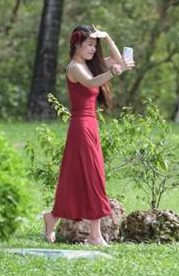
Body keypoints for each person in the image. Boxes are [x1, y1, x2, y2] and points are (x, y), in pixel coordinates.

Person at [40, 25, 135, 246]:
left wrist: (107, 37)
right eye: (90, 45)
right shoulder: (75, 68)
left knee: (79, 178)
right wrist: (115, 71)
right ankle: (94, 236)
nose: (93, 49)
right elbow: (92, 83)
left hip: (90, 126)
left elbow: (116, 59)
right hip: (81, 127)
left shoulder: (90, 65)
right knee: (93, 177)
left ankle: (52, 217)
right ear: (77, 44)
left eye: (95, 45)